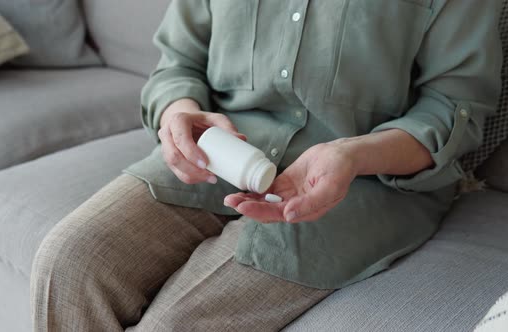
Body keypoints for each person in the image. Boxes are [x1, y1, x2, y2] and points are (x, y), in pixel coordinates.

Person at [30, 0, 503, 331]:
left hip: (360, 183)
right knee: (69, 261)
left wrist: (352, 154)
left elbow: (454, 106)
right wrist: (177, 114)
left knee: (175, 325)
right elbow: (177, 64)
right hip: (217, 156)